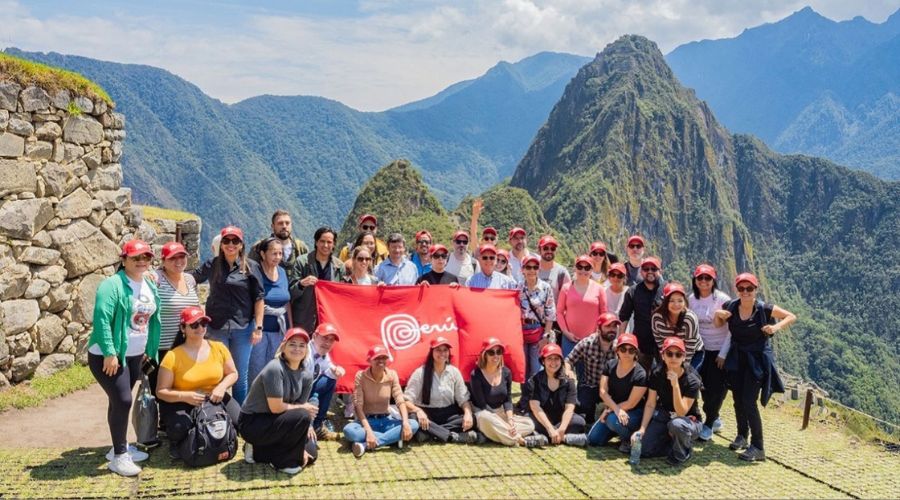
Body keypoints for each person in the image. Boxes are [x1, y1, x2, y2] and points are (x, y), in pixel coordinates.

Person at [87, 239, 161, 476]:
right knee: (123, 400)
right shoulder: (112, 285)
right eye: (136, 258)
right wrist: (109, 352)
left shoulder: (148, 284)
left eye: (146, 257)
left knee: (118, 400)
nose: (141, 262)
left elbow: (150, 320)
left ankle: (119, 448)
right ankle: (119, 456)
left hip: (134, 355)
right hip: (109, 355)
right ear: (124, 260)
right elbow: (101, 318)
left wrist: (150, 349)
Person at [715, 272, 796, 462]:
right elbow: (719, 324)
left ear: (755, 290)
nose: (745, 292)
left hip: (756, 361)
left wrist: (775, 328)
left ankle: (758, 447)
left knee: (749, 401)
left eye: (749, 288)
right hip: (737, 358)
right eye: (741, 289)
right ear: (737, 290)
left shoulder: (764, 309)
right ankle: (742, 436)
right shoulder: (730, 307)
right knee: (737, 399)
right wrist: (718, 315)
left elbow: (791, 316)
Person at [156, 307, 240, 462]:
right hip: (182, 400)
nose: (200, 328)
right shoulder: (173, 356)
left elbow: (233, 373)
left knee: (239, 421)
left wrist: (221, 387)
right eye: (194, 325)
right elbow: (161, 391)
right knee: (179, 428)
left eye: (203, 323)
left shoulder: (218, 347)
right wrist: (185, 396)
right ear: (183, 328)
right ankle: (179, 442)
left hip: (214, 396)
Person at [192, 226, 264, 405]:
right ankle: (217, 416)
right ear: (221, 244)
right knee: (216, 373)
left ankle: (239, 416)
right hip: (217, 328)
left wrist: (258, 327)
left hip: (243, 328)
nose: (230, 245)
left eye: (235, 241)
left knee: (239, 375)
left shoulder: (251, 267)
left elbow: (259, 298)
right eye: (226, 241)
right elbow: (192, 278)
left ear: (241, 245)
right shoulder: (212, 265)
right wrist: (162, 275)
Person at [239, 327, 317, 475]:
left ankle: (257, 451)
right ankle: (282, 463)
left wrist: (305, 430)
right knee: (303, 415)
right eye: (292, 344)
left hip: (277, 419)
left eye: (302, 345)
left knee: (312, 451)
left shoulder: (307, 375)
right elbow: (277, 408)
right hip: (253, 422)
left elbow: (299, 408)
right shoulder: (275, 368)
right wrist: (304, 413)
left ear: (307, 350)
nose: (297, 349)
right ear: (283, 347)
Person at [633, 337, 703, 466]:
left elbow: (681, 412)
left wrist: (675, 385)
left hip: (688, 420)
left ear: (684, 357)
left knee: (676, 424)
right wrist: (642, 429)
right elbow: (650, 403)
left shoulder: (692, 380)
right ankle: (672, 444)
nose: (674, 358)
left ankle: (683, 451)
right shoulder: (657, 373)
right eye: (669, 353)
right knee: (644, 450)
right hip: (665, 415)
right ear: (663, 355)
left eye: (678, 354)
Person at [342, 346, 419, 458]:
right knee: (348, 430)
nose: (381, 361)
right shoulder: (361, 376)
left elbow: (400, 400)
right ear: (369, 360)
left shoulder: (392, 374)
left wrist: (406, 423)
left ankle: (366, 444)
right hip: (367, 421)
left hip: (387, 420)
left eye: (384, 357)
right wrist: (368, 431)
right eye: (377, 358)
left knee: (413, 425)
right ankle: (392, 438)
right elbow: (358, 406)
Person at [404, 337, 478, 443]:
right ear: (431, 352)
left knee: (473, 418)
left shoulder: (454, 372)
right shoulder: (420, 373)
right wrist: (419, 411)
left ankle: (430, 434)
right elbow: (406, 401)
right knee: (414, 419)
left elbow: (463, 399)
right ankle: (451, 436)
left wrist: (467, 414)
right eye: (438, 350)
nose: (442, 353)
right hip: (427, 413)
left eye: (445, 350)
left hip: (448, 414)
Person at [688, 264, 732, 441]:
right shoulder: (691, 299)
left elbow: (732, 329)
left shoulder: (723, 300)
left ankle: (709, 423)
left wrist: (723, 353)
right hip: (699, 349)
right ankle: (713, 417)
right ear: (695, 280)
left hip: (718, 349)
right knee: (699, 385)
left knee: (716, 387)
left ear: (713, 280)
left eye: (707, 278)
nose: (704, 282)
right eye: (700, 278)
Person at [152, 241, 200, 396]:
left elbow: (197, 308)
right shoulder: (156, 278)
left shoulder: (190, 280)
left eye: (182, 256)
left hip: (187, 346)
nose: (179, 261)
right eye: (173, 258)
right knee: (160, 391)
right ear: (163, 261)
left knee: (184, 388)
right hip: (162, 347)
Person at [469, 338, 535, 446]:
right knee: (485, 418)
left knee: (530, 424)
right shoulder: (475, 375)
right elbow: (482, 405)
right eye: (491, 352)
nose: (495, 356)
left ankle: (495, 435)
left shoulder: (506, 372)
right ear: (484, 355)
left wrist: (510, 420)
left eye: (498, 352)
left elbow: (507, 400)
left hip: (501, 413)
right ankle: (516, 438)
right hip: (484, 414)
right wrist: (502, 422)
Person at [588, 333, 647, 449]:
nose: (626, 353)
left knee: (611, 420)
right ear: (617, 351)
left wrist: (610, 411)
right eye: (623, 349)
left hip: (634, 412)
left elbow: (631, 403)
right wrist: (615, 409)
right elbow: (602, 391)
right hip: (616, 410)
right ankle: (616, 430)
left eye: (631, 350)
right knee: (593, 439)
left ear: (636, 353)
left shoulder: (640, 374)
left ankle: (629, 441)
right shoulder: (610, 365)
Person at [524, 344, 588, 447]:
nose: (553, 362)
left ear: (561, 361)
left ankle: (549, 437)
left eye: (556, 359)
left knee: (579, 422)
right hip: (541, 418)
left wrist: (562, 429)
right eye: (549, 359)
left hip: (560, 419)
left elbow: (569, 408)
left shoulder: (569, 381)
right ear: (543, 361)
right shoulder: (534, 380)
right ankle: (564, 438)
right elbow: (535, 408)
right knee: (528, 421)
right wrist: (549, 428)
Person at [248, 237, 293, 384]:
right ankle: (252, 405)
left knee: (275, 370)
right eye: (274, 253)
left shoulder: (282, 273)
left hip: (278, 331)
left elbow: (287, 302)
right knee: (255, 371)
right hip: (258, 332)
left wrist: (290, 329)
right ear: (263, 254)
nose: (277, 257)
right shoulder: (255, 273)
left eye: (280, 254)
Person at [565, 312, 621, 424]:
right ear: (599, 329)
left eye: (614, 326)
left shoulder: (621, 348)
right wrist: (568, 372)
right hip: (590, 385)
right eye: (608, 326)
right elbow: (567, 361)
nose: (612, 329)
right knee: (584, 415)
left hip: (611, 389)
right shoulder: (587, 343)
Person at [291, 226, 346, 333]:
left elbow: (342, 294)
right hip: (304, 319)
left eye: (329, 242)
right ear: (316, 242)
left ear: (334, 244)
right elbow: (291, 292)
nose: (325, 245)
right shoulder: (302, 262)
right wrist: (301, 284)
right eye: (322, 241)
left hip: (327, 319)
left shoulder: (339, 266)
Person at [618, 256, 665, 369]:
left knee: (663, 381)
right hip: (640, 346)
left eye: (654, 269)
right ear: (641, 271)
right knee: (640, 379)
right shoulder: (633, 291)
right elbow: (624, 317)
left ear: (660, 271)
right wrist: (621, 342)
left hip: (663, 346)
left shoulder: (667, 289)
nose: (650, 272)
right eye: (646, 269)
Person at [557, 255, 606, 358]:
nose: (583, 270)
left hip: (592, 340)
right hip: (569, 339)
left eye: (587, 268)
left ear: (592, 270)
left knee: (588, 373)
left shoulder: (599, 289)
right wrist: (565, 332)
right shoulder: (566, 288)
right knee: (568, 371)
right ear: (575, 268)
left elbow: (604, 314)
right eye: (580, 267)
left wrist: (597, 333)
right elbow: (559, 312)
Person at [519, 255, 556, 380]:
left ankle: (536, 397)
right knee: (523, 367)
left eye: (535, 267)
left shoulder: (545, 288)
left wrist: (546, 336)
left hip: (538, 330)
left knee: (536, 367)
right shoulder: (517, 288)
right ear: (522, 269)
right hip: (521, 330)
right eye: (528, 267)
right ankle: (525, 398)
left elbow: (550, 314)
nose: (531, 270)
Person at [307, 323, 346, 440]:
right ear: (314, 336)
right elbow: (300, 388)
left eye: (331, 340)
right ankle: (308, 424)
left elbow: (327, 366)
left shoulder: (321, 351)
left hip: (305, 388)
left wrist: (335, 369)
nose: (328, 343)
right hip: (293, 395)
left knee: (330, 380)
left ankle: (318, 425)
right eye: (324, 338)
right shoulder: (306, 354)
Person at [249, 210, 309, 285]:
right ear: (272, 226)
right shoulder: (260, 247)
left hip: (297, 294)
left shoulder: (301, 248)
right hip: (270, 293)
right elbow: (250, 272)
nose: (284, 226)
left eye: (287, 223)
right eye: (280, 223)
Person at [651, 282, 703, 368]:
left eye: (680, 301)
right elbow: (660, 342)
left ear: (684, 302)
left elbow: (690, 348)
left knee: (689, 378)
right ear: (665, 302)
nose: (676, 304)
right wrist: (668, 361)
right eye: (671, 301)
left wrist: (682, 370)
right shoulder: (657, 318)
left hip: (692, 353)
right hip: (669, 353)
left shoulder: (689, 319)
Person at [537, 235, 571, 303]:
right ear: (539, 250)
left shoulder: (561, 273)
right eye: (546, 248)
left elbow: (569, 297)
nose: (549, 251)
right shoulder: (532, 269)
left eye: (553, 249)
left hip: (554, 313)